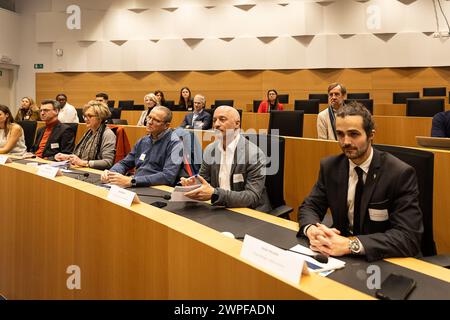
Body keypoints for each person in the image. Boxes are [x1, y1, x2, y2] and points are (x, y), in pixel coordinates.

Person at [298, 101, 423, 262]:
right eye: (340, 134)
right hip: (340, 257)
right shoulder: (330, 167)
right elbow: (309, 206)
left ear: (371, 135)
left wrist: (351, 244)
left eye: (354, 134)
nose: (345, 142)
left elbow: (407, 237)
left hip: (385, 259)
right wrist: (312, 229)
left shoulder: (399, 174)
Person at [180, 105, 270, 212]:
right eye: (214, 120)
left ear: (237, 124)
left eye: (222, 119)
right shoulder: (210, 149)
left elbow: (252, 197)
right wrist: (193, 185)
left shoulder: (254, 154)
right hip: (219, 207)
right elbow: (203, 179)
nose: (216, 124)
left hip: (249, 211)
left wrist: (215, 194)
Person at [101, 106, 182, 188]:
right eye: (149, 117)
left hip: (156, 188)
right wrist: (111, 173)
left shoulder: (176, 143)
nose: (150, 122)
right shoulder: (143, 140)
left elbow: (168, 177)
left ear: (166, 125)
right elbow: (124, 163)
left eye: (156, 120)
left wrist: (132, 181)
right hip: (137, 184)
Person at [55, 101, 116, 170]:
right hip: (84, 170)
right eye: (85, 116)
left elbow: (108, 162)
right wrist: (68, 157)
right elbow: (79, 157)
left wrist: (84, 163)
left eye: (90, 116)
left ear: (100, 117)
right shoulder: (89, 133)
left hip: (97, 173)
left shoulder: (108, 134)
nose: (85, 119)